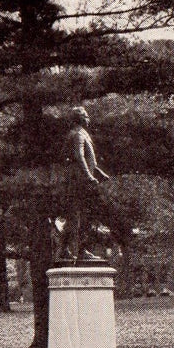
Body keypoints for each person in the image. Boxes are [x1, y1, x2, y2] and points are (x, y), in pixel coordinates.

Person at [59, 106, 111, 263]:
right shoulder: (77, 134)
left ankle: (66, 249)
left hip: (78, 180)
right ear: (80, 119)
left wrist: (99, 172)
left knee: (75, 215)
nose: (88, 118)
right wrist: (89, 175)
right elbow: (79, 156)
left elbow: (89, 160)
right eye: (86, 116)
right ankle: (81, 250)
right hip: (80, 182)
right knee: (85, 214)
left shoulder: (79, 134)